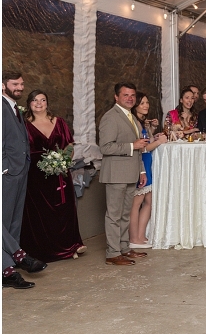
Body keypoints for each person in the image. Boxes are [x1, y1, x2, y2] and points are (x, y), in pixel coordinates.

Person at [22, 90, 87, 261]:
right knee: (41, 214)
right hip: (35, 178)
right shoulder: (23, 124)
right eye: (35, 100)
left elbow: (70, 145)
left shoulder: (59, 123)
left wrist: (63, 160)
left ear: (47, 103)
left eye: (42, 100)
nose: (39, 103)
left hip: (60, 174)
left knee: (63, 211)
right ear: (29, 103)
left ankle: (69, 246)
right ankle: (43, 251)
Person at [3, 72, 47, 288]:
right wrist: (4, 168)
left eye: (21, 84)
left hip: (20, 171)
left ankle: (8, 268)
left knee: (13, 223)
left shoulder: (14, 108)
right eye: (14, 84)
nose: (20, 87)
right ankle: (12, 264)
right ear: (3, 85)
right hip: (7, 173)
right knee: (2, 222)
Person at [99, 82, 149, 265]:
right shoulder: (110, 117)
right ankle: (113, 253)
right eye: (126, 95)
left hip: (131, 173)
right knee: (114, 215)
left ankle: (124, 248)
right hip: (115, 173)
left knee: (125, 214)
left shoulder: (131, 117)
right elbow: (105, 146)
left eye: (132, 95)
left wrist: (141, 170)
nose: (130, 98)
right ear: (116, 97)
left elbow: (139, 147)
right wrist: (131, 146)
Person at [128, 92, 167, 248]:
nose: (146, 105)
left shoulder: (141, 122)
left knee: (149, 202)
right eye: (142, 103)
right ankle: (134, 238)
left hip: (147, 164)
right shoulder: (133, 123)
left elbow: (146, 141)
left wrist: (153, 134)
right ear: (135, 105)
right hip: (140, 164)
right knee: (136, 203)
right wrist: (158, 143)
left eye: (147, 103)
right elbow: (141, 149)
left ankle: (141, 234)